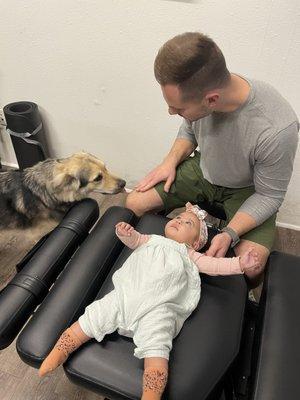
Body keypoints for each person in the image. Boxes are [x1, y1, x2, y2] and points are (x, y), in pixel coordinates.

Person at [125, 32, 299, 288]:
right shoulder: (205, 88)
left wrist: (230, 233)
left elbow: (270, 196)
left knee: (253, 266)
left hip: (248, 191)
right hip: (202, 171)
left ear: (212, 100)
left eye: (178, 108)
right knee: (134, 202)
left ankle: (243, 309)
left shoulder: (275, 129)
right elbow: (189, 128)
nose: (171, 112)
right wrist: (169, 161)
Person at [38, 203, 260, 400]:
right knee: (92, 316)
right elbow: (133, 240)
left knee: (158, 346)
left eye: (187, 223)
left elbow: (216, 266)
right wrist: (125, 232)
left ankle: (151, 393)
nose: (179, 220)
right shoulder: (150, 239)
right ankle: (61, 349)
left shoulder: (190, 255)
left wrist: (240, 263)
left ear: (196, 242)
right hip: (124, 297)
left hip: (158, 309)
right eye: (178, 218)